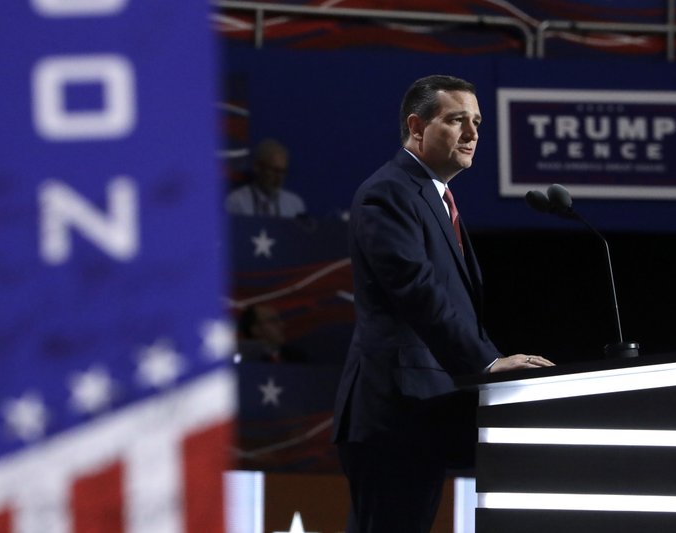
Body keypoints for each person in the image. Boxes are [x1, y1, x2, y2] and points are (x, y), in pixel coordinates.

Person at [331, 74, 554, 533]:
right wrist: (489, 363)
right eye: (457, 121)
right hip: (392, 414)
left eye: (476, 122)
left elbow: (453, 305)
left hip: (425, 414)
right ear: (417, 127)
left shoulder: (437, 199)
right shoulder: (388, 193)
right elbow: (418, 291)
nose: (473, 134)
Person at [225, 138, 307, 217]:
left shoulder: (295, 205)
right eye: (275, 170)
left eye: (283, 171)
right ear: (257, 168)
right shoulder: (236, 202)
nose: (279, 177)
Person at [236, 304, 307, 363]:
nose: (282, 325)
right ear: (256, 330)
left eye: (280, 320)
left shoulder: (298, 358)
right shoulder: (243, 361)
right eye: (273, 321)